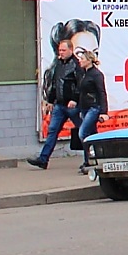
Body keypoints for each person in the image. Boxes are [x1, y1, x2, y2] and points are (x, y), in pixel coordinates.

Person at [27, 39, 81, 169]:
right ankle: (43, 159)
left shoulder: (77, 65)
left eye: (63, 50)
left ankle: (90, 159)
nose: (60, 53)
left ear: (71, 50)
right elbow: (55, 84)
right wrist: (50, 101)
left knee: (83, 131)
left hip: (73, 106)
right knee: (52, 131)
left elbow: (81, 85)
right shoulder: (58, 64)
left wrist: (74, 99)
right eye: (59, 50)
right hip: (60, 105)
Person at [74, 49, 110, 174]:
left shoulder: (96, 74)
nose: (80, 61)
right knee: (92, 135)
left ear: (89, 60)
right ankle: (95, 160)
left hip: (94, 107)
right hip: (84, 107)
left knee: (83, 134)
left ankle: (88, 161)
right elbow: (81, 92)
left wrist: (104, 111)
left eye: (82, 59)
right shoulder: (84, 73)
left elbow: (102, 93)